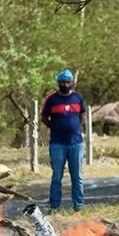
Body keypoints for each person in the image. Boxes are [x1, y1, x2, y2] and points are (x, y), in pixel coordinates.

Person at [41, 69, 86, 212]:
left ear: (71, 82)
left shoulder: (78, 98)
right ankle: (54, 205)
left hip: (76, 143)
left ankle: (78, 205)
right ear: (58, 82)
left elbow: (82, 116)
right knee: (56, 176)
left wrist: (75, 128)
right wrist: (54, 126)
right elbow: (44, 117)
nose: (65, 84)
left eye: (67, 82)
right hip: (57, 144)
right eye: (62, 82)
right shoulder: (51, 99)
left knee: (77, 176)